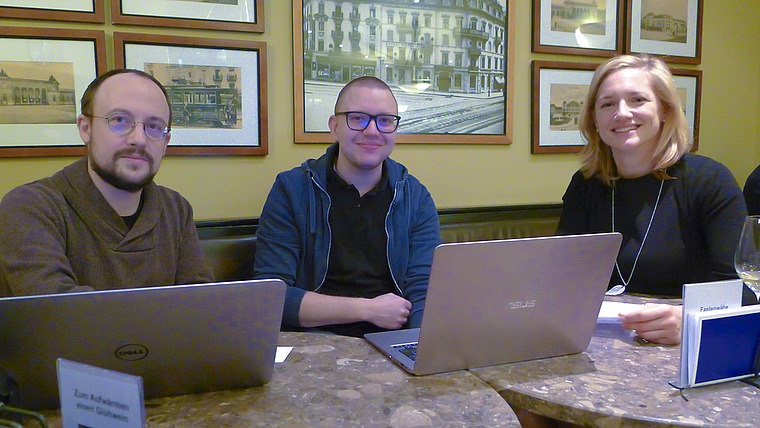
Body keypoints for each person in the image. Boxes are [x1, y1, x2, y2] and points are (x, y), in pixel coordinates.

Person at [556, 54, 752, 347]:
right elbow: (562, 274)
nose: (621, 113)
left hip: (685, 349)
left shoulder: (709, 181)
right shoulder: (585, 186)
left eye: (637, 100)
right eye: (607, 104)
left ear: (664, 111)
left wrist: (690, 320)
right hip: (599, 343)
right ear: (595, 119)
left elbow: (742, 287)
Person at [253, 76, 440, 337]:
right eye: (358, 118)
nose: (372, 131)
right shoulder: (292, 190)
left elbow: (426, 292)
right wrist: (367, 309)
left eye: (385, 120)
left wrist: (423, 349)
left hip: (392, 342)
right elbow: (271, 296)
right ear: (334, 126)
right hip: (312, 343)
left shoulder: (415, 197)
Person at [0, 69, 213, 296]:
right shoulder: (31, 207)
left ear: (166, 141)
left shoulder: (175, 209)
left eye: (153, 126)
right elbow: (58, 316)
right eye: (119, 120)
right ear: (85, 128)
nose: (138, 139)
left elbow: (201, 304)